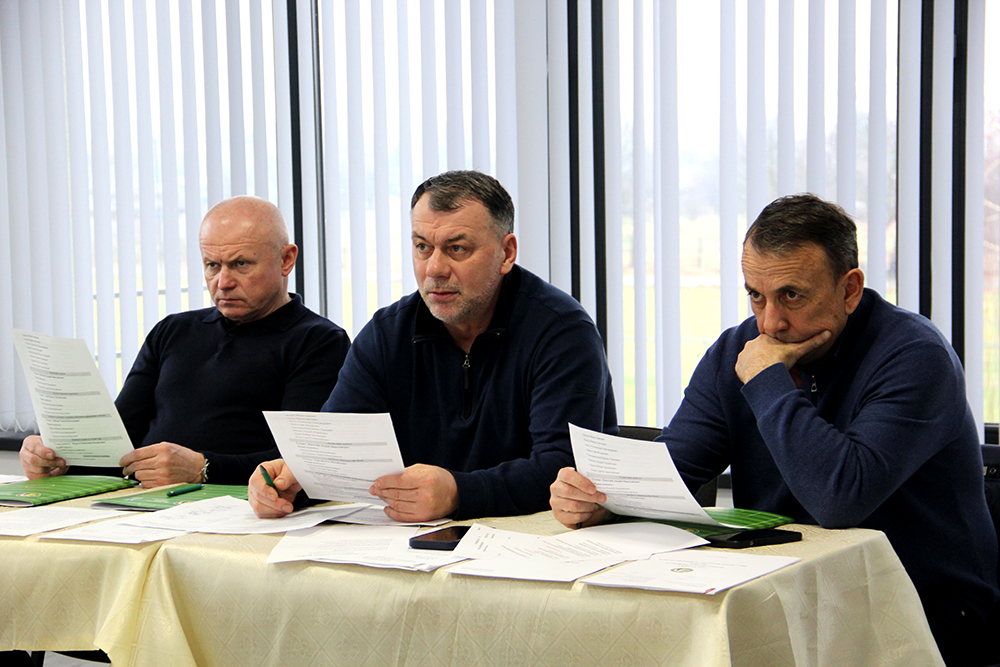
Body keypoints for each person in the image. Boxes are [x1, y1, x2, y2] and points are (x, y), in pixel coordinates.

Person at [550, 193, 999, 666]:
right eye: (756, 296)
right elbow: (670, 470)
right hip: (786, 591)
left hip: (923, 608)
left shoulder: (915, 356)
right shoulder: (737, 352)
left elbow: (839, 499)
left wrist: (767, 383)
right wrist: (604, 501)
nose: (769, 322)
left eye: (792, 295)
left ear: (849, 290)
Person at [249, 170, 617, 522]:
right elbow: (337, 449)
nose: (434, 269)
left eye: (457, 248)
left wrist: (458, 492)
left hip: (534, 543)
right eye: (423, 247)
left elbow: (564, 470)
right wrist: (294, 480)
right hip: (408, 542)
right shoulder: (387, 334)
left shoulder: (561, 331)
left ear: (506, 253)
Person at [19, 195, 351, 486]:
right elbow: (116, 443)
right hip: (141, 502)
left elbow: (301, 462)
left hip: (236, 507)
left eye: (241, 264)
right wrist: (58, 459)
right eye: (212, 265)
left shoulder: (319, 341)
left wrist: (203, 468)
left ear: (286, 260)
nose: (223, 282)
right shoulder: (172, 331)